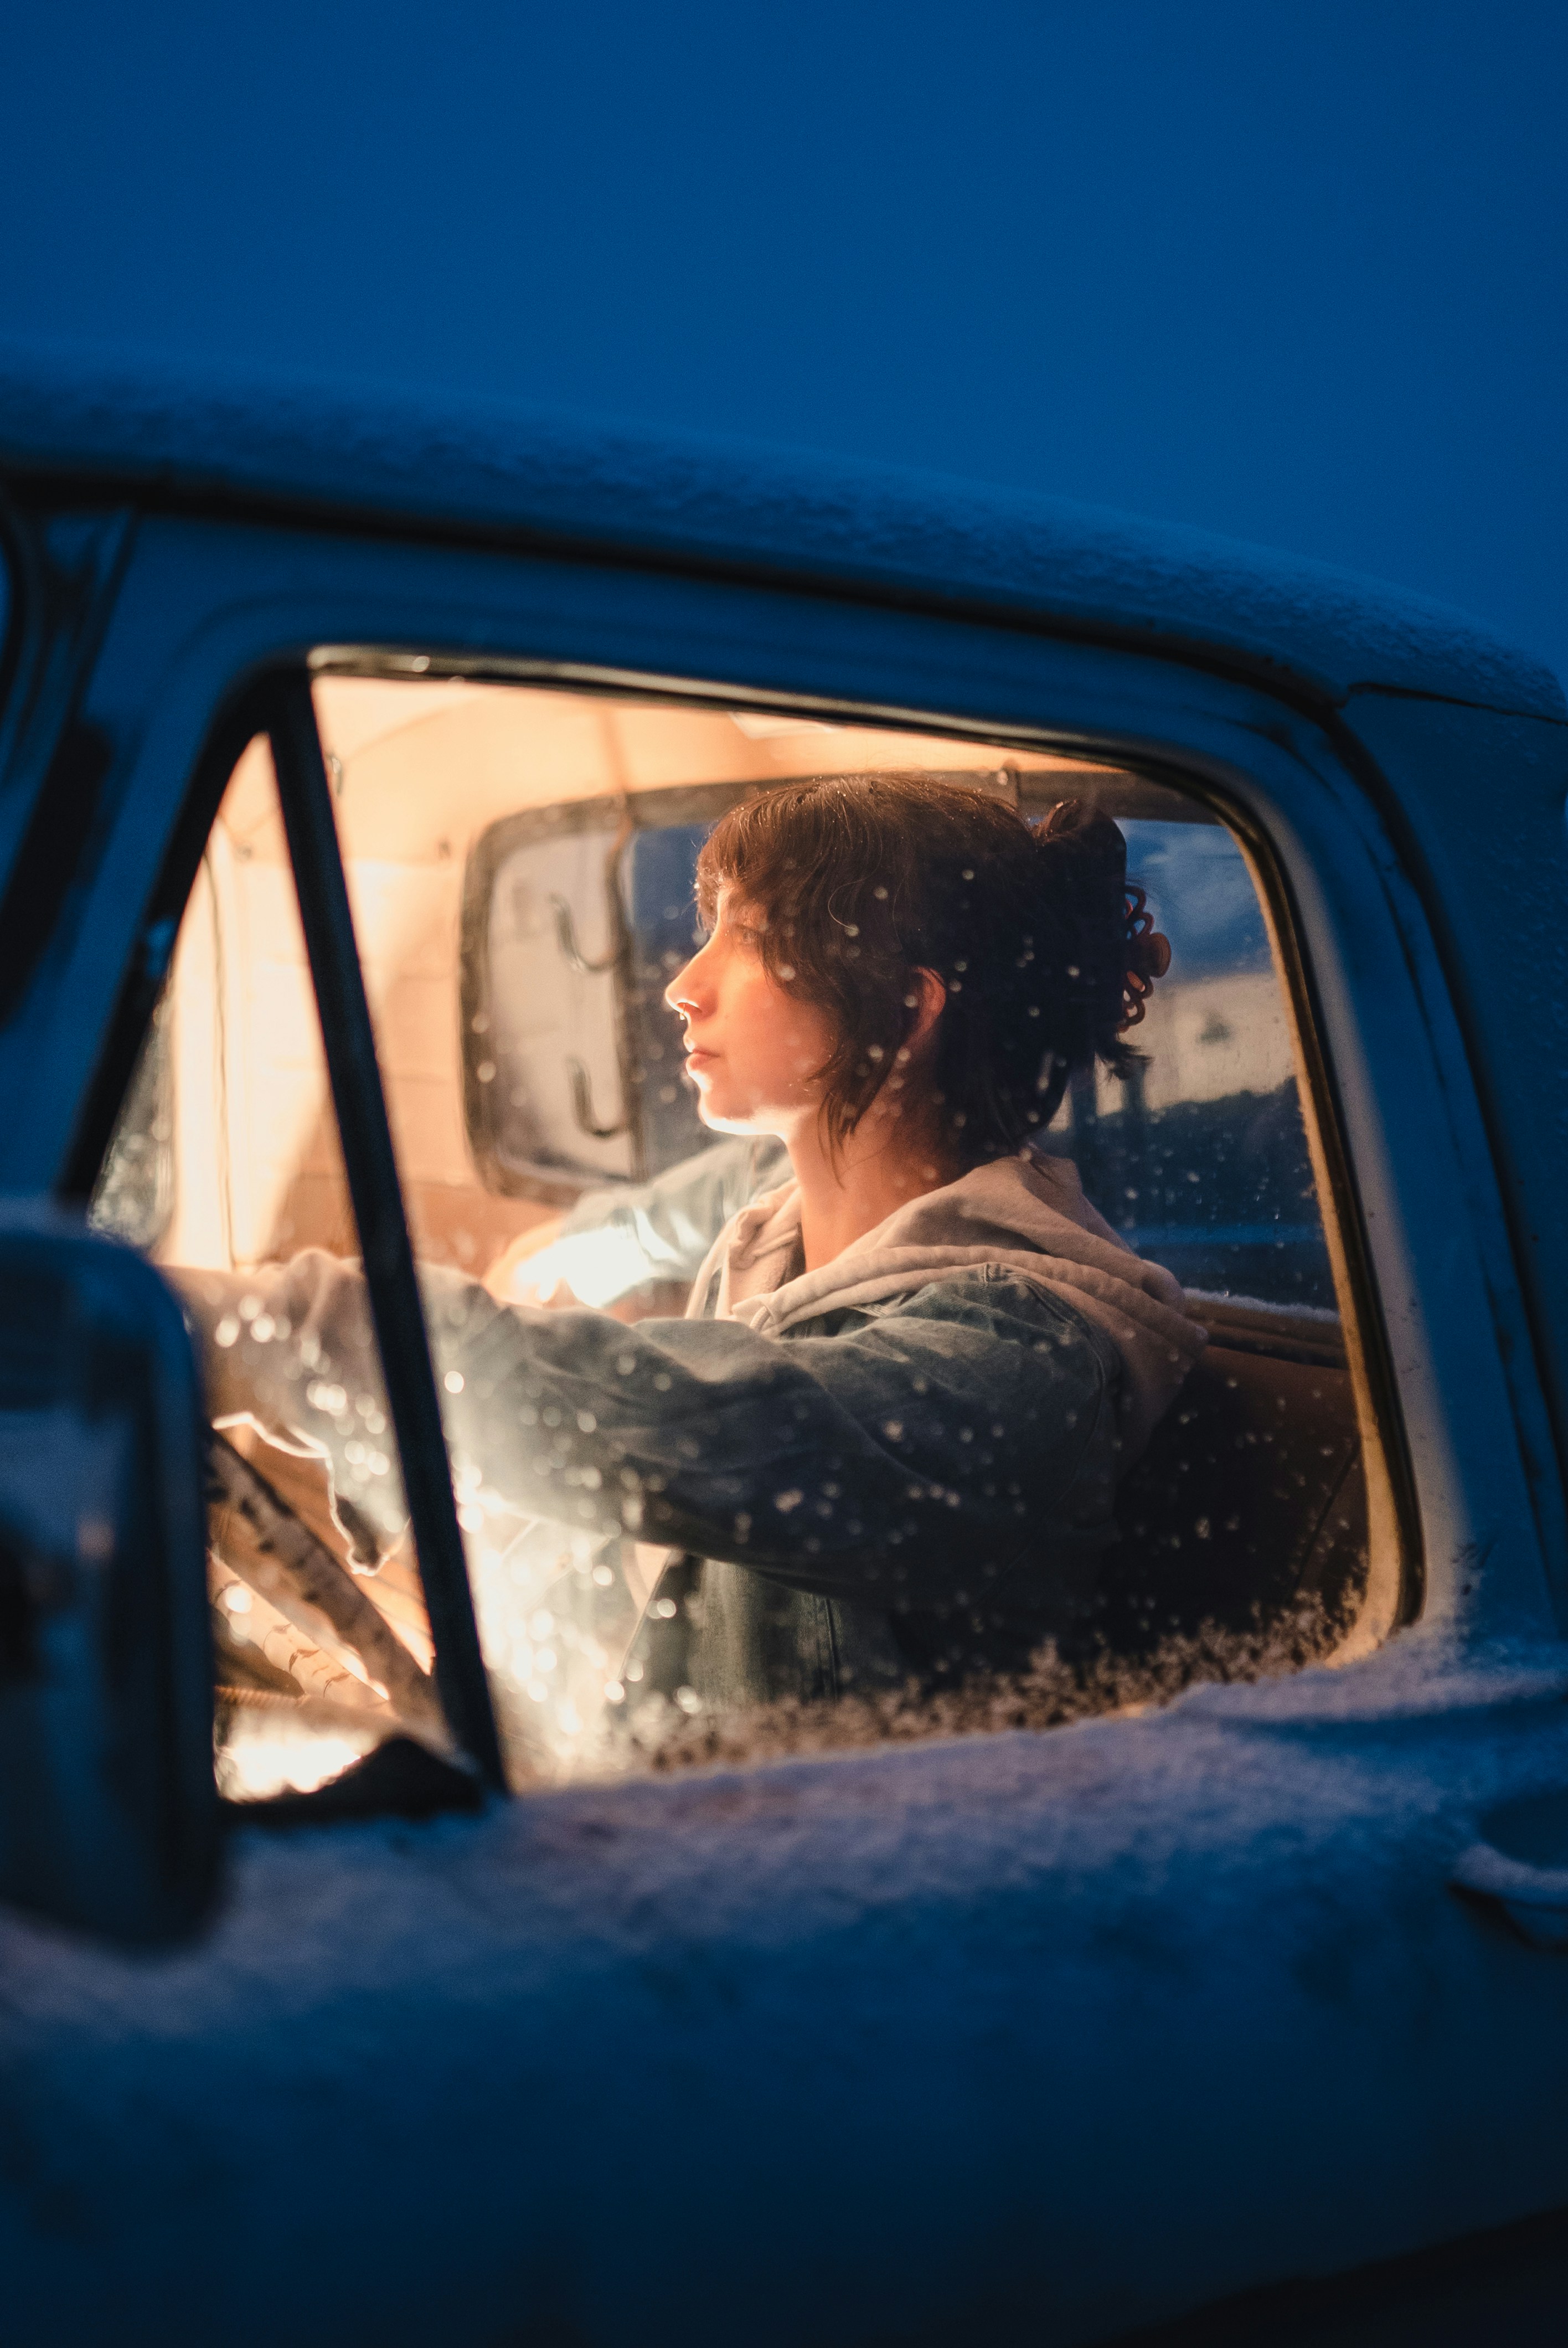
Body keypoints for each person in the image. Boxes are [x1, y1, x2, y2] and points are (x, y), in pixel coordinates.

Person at [187, 775, 1204, 1737]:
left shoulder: (1010, 1365)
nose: (683, 984)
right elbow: (663, 1547)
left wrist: (252, 1335)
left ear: (905, 1008)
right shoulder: (778, 1242)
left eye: (750, 938)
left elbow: (707, 1419)